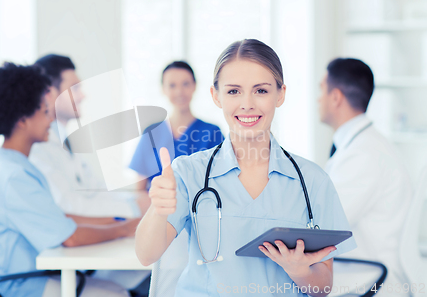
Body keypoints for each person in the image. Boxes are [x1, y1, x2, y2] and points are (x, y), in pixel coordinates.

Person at [135, 39, 356, 297]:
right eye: (233, 91)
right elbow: (145, 255)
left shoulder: (313, 181)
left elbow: (324, 287)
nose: (247, 104)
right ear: (215, 96)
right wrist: (158, 210)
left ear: (280, 94)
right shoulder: (188, 173)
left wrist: (300, 271)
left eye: (261, 91)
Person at [0, 63, 139, 297]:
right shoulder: (15, 177)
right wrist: (123, 228)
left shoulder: (10, 164)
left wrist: (115, 221)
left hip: (18, 277)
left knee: (115, 288)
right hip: (10, 285)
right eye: (45, 110)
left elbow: (58, 219)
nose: (50, 119)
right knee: (116, 293)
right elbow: (71, 237)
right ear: (23, 120)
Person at [29, 54, 150, 293]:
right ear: (49, 92)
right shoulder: (40, 147)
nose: (82, 95)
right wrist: (134, 208)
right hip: (55, 262)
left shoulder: (67, 140)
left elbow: (96, 191)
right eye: (74, 88)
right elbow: (69, 205)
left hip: (81, 251)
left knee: (150, 269)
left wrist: (135, 203)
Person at [318, 58, 413, 294]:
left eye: (321, 89)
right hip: (362, 275)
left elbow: (325, 226)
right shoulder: (365, 146)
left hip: (370, 280)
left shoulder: (364, 154)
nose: (317, 98)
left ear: (336, 97)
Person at [129, 61, 224, 190]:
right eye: (172, 85)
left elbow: (222, 183)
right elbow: (140, 191)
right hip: (158, 207)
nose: (179, 91)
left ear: (194, 86)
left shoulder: (212, 132)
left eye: (185, 84)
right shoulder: (150, 133)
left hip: (199, 208)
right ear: (163, 89)